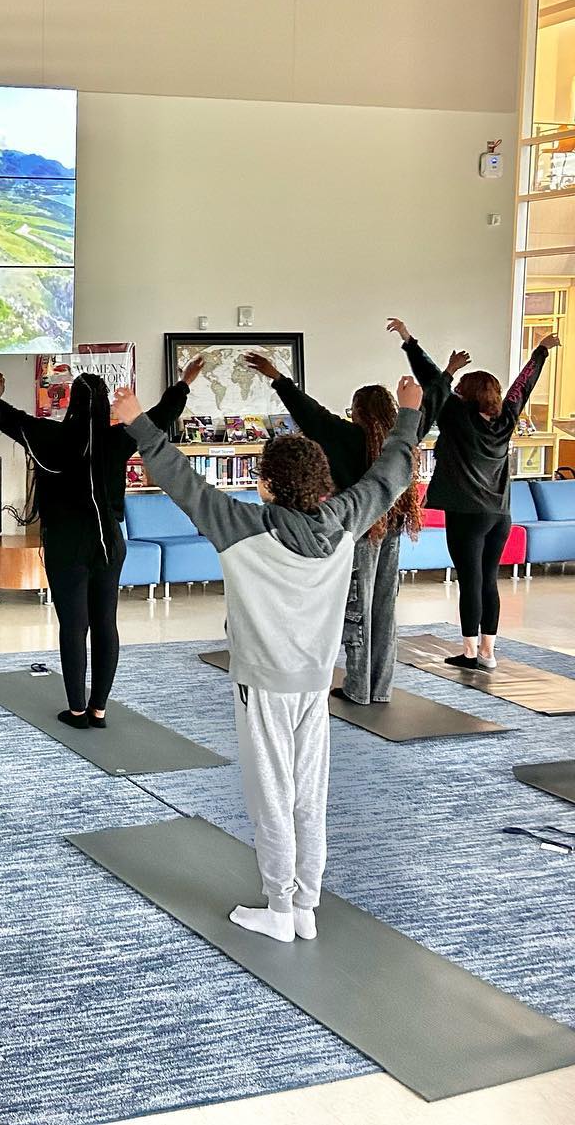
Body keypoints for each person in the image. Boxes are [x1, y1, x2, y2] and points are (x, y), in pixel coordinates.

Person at [113, 373, 424, 943]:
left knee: (271, 796)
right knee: (309, 794)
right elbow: (392, 472)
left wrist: (136, 418)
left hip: (262, 687)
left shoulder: (241, 526)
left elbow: (179, 479)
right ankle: (305, 904)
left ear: (267, 486)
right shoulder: (346, 520)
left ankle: (280, 907)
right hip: (313, 684)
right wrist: (408, 414)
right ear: (323, 485)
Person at [0, 356, 203, 727]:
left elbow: (1, 413)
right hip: (109, 542)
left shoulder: (47, 436)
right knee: (105, 624)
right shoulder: (118, 438)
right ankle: (99, 710)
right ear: (104, 404)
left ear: (71, 403)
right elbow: (162, 413)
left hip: (65, 544)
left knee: (73, 627)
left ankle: (76, 710)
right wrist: (184, 381)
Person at [244, 343, 434, 705]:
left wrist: (277, 378)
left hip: (359, 530)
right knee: (384, 609)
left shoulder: (348, 436)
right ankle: (380, 688)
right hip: (390, 529)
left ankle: (358, 687)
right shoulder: (400, 442)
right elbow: (435, 396)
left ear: (358, 412)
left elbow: (309, 412)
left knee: (358, 610)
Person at [395, 318, 559, 670]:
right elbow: (522, 387)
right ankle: (489, 651)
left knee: (470, 580)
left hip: (467, 514)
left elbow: (431, 381)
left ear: (465, 394)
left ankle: (470, 652)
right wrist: (541, 353)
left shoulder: (458, 415)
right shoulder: (507, 418)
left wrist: (412, 342)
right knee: (488, 580)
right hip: (500, 515)